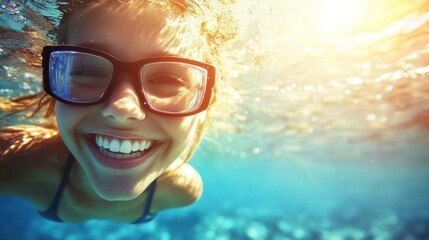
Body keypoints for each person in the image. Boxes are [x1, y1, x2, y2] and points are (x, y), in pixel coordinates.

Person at [0, 0, 238, 223]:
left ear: (206, 104)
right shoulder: (13, 159)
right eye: (88, 71)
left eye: (167, 78)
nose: (121, 108)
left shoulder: (182, 190)